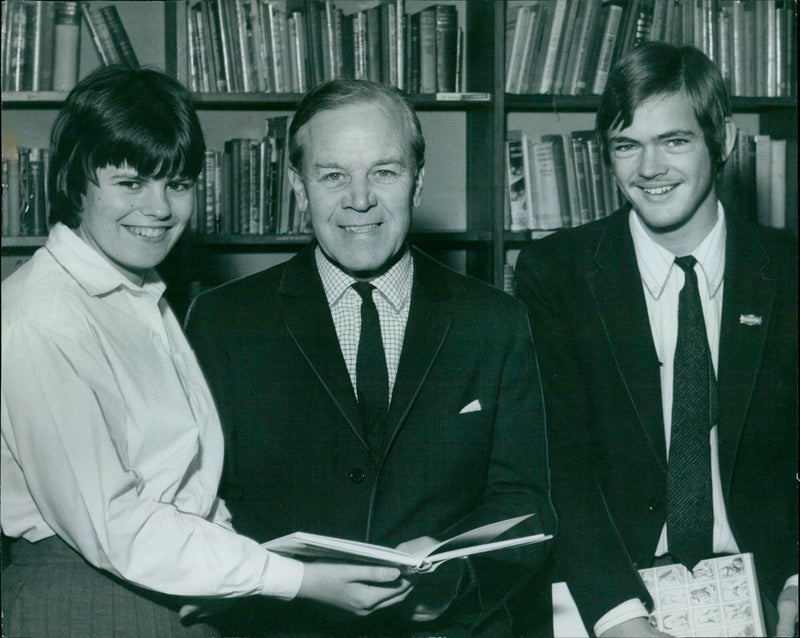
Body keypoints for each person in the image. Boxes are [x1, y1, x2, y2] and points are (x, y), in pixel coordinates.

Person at [0, 66, 419, 638]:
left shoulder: (138, 296)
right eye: (130, 183)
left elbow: (187, 485)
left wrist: (245, 570)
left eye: (177, 184)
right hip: (87, 601)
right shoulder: (42, 316)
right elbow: (113, 524)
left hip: (174, 593)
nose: (159, 209)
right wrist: (296, 579)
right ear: (76, 182)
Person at [184, 78, 556, 637]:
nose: (360, 199)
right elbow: (204, 504)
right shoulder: (225, 322)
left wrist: (459, 581)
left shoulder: (495, 321)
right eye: (333, 175)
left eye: (385, 171)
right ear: (296, 185)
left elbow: (527, 503)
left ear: (418, 181)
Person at [515, 42, 797, 638]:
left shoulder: (789, 271)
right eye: (626, 145)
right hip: (609, 595)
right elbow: (557, 462)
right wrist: (620, 618)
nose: (649, 168)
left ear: (721, 139)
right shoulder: (555, 274)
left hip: (770, 588)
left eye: (674, 140)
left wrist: (798, 585)